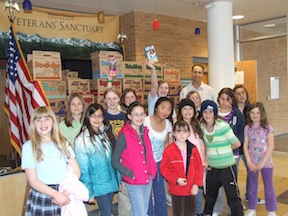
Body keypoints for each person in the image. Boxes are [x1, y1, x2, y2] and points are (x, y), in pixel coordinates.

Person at [21, 106, 81, 216]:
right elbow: (33, 181)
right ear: (33, 124)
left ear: (53, 122)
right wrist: (55, 194)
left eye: (47, 119)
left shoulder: (63, 142)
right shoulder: (28, 147)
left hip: (65, 192)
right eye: (38, 120)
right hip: (43, 194)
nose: (43, 123)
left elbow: (77, 171)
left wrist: (66, 192)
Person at [112, 102, 157, 216]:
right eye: (136, 114)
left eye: (142, 114)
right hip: (134, 180)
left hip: (148, 177)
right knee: (140, 213)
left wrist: (152, 170)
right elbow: (115, 161)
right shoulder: (124, 134)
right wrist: (129, 173)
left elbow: (148, 154)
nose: (139, 117)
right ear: (129, 116)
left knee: (140, 211)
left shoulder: (145, 132)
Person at [74, 103, 119, 216]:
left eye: (99, 116)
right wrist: (89, 191)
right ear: (87, 117)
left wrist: (118, 180)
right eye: (93, 116)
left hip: (110, 182)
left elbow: (113, 159)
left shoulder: (105, 133)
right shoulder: (82, 139)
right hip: (98, 184)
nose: (96, 119)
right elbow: (83, 168)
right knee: (106, 212)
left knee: (107, 211)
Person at [200, 100, 243, 216]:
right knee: (210, 195)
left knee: (233, 196)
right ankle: (207, 213)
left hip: (227, 166)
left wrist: (223, 151)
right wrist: (207, 160)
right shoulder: (202, 127)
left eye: (210, 111)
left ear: (214, 112)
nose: (207, 115)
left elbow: (237, 143)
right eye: (205, 112)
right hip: (213, 167)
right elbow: (205, 145)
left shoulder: (222, 126)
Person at [212, 87, 245, 215]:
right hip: (215, 155)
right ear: (218, 99)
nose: (225, 101)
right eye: (222, 99)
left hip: (232, 154)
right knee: (216, 183)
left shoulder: (237, 114)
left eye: (228, 99)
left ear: (232, 100)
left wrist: (231, 147)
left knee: (231, 182)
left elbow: (241, 134)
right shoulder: (213, 114)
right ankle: (217, 209)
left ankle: (233, 208)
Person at [160, 120, 203, 216]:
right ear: (174, 133)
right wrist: (176, 179)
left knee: (190, 212)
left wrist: (196, 184)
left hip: (191, 187)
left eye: (185, 131)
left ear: (188, 133)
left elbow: (198, 168)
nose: (182, 134)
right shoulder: (169, 150)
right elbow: (164, 169)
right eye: (179, 131)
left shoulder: (193, 149)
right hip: (176, 188)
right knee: (178, 212)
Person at [233, 85, 265, 205]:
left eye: (243, 93)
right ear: (234, 96)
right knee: (233, 175)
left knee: (252, 172)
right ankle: (235, 200)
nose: (241, 95)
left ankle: (250, 195)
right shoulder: (232, 111)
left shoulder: (251, 109)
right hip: (234, 148)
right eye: (238, 93)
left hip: (250, 148)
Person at [243, 102, 277, 216]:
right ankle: (252, 208)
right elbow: (245, 146)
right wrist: (248, 161)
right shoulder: (247, 128)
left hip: (266, 163)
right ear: (249, 114)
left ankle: (271, 210)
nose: (255, 115)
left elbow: (271, 146)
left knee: (268, 186)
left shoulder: (268, 128)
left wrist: (262, 163)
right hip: (252, 163)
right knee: (252, 185)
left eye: (257, 113)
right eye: (252, 112)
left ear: (262, 114)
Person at [144, 97, 173, 216]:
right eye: (163, 107)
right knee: (147, 193)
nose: (165, 111)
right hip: (145, 163)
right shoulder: (145, 121)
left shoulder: (167, 124)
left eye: (169, 109)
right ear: (156, 107)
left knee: (160, 192)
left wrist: (166, 163)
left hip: (160, 162)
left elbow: (166, 143)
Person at [103, 87, 130, 216]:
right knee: (108, 187)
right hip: (107, 157)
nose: (112, 101)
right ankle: (105, 211)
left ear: (119, 99)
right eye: (109, 98)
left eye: (114, 98)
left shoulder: (125, 117)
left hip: (123, 157)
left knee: (123, 189)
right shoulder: (101, 116)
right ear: (104, 100)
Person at [177, 99, 206, 216]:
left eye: (190, 108)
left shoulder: (198, 126)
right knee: (184, 192)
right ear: (180, 111)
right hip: (183, 165)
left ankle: (198, 212)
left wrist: (204, 160)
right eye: (184, 108)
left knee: (197, 191)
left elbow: (202, 144)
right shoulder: (177, 126)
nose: (187, 111)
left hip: (197, 164)